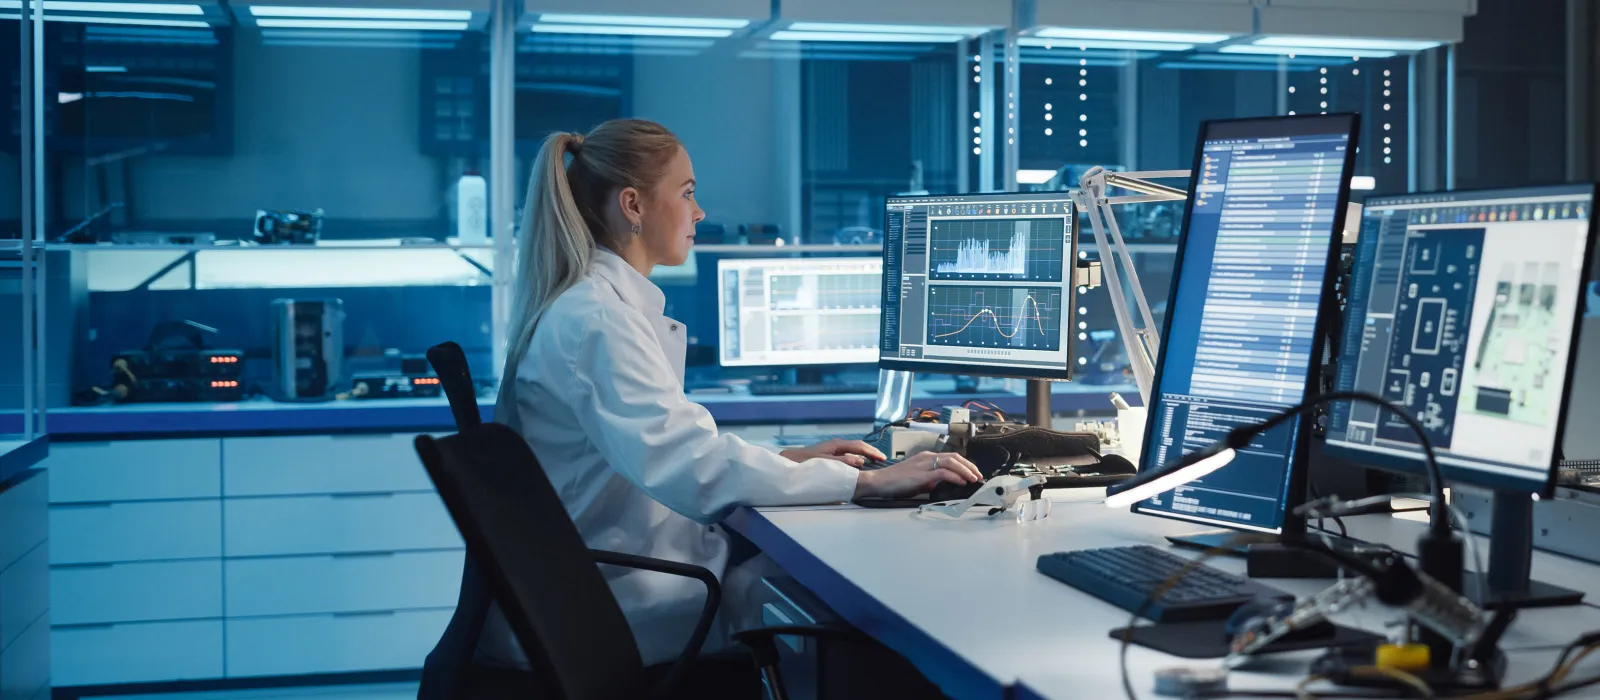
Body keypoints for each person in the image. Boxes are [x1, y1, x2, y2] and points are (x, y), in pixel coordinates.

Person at [479, 119, 982, 669]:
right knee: (843, 581)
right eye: (687, 193)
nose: (699, 212)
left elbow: (674, 448)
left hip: (610, 575)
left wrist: (790, 460)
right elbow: (689, 465)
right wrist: (865, 482)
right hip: (623, 599)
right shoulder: (598, 319)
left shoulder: (594, 306)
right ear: (633, 204)